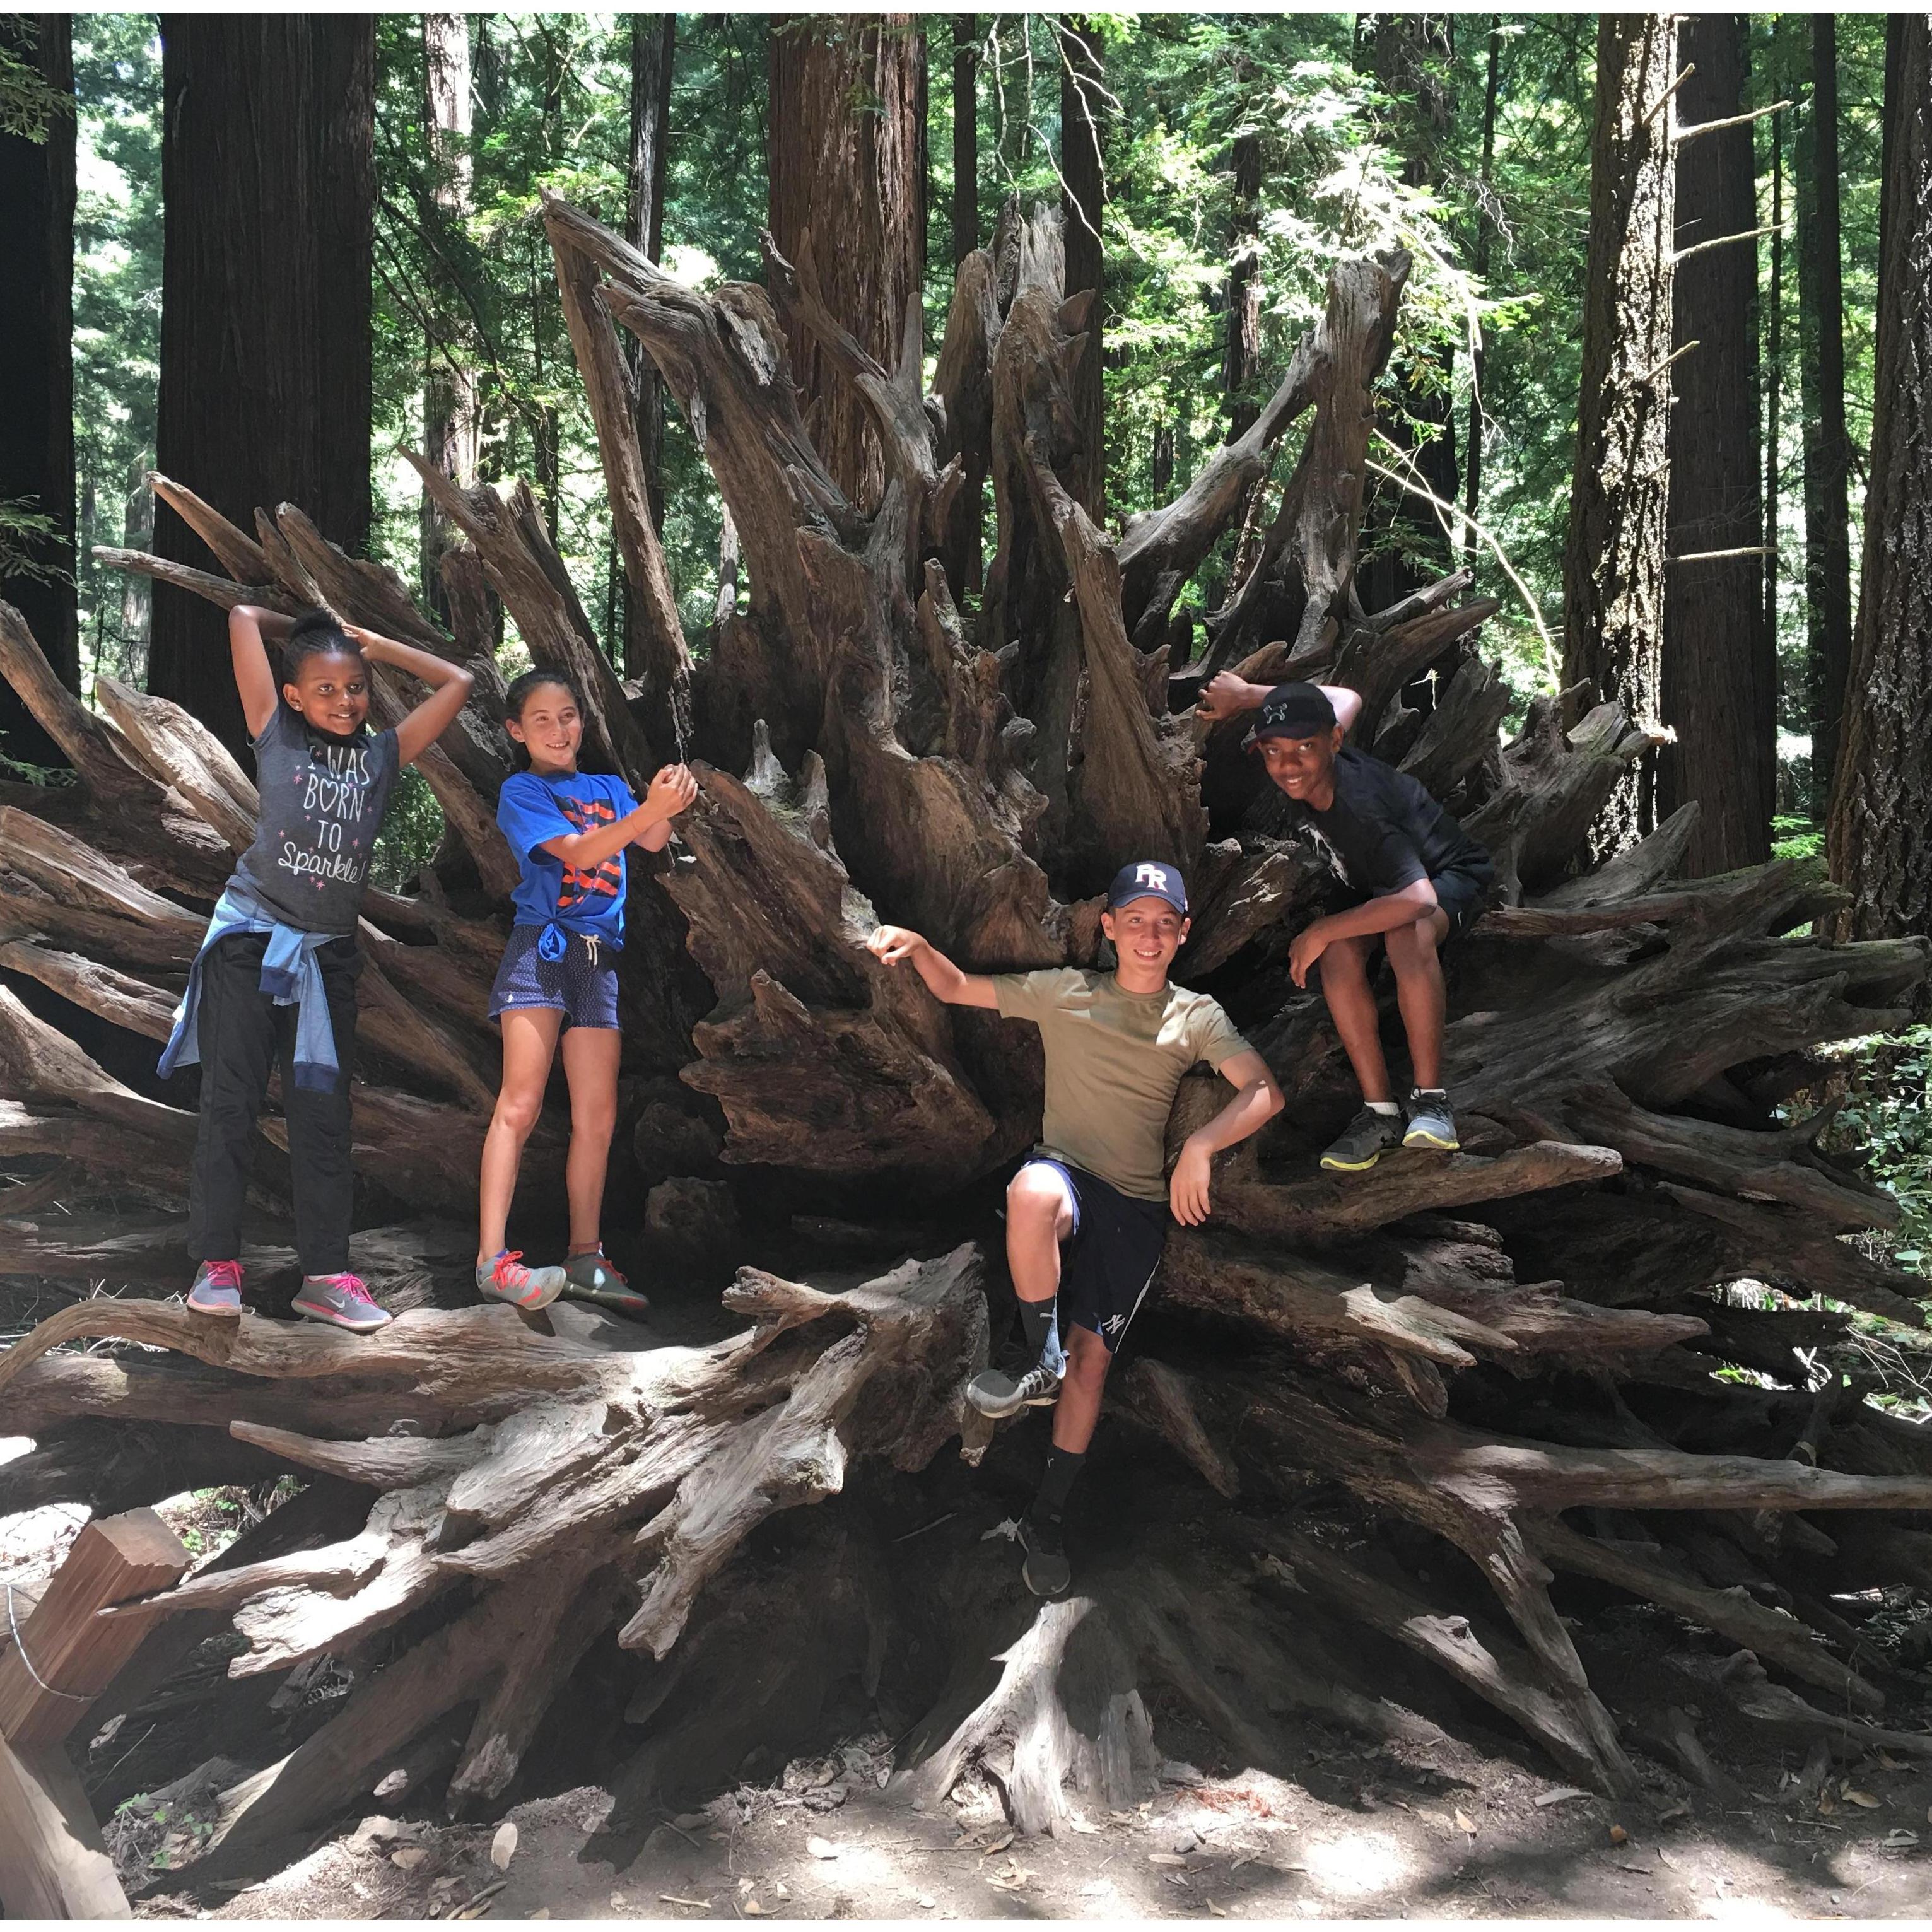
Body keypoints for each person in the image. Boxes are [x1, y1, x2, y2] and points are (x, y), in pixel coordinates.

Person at [867, 862, 1282, 1596]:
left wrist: (1200, 1146)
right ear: (1110, 928)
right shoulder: (1069, 992)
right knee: (1030, 1191)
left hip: (1135, 1209)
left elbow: (1262, 1090)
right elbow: (959, 988)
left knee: (1095, 1366)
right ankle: (1038, 1358)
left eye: (1164, 922)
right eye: (1136, 920)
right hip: (1065, 1173)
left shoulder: (1197, 1015)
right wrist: (920, 945)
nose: (1149, 935)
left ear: (1182, 933)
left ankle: (1047, 1517)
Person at [161, 604, 476, 1330]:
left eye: (356, 687)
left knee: (323, 1118)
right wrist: (306, 625)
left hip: (326, 958)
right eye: (326, 689)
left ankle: (326, 1276)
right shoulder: (275, 733)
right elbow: (240, 616)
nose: (345, 700)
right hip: (249, 944)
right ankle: (216, 1266)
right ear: (294, 695)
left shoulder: (381, 755)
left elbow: (458, 682)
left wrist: (383, 645)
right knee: (231, 1102)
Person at [1197, 672, 1496, 1170]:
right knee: (1337, 955)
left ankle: (1430, 1101)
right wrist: (1248, 697)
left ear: (1333, 740)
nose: (1288, 765)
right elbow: (1347, 695)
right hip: (1382, 886)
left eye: (1304, 747)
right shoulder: (1314, 751)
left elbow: (1418, 898)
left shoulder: (1359, 806)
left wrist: (1320, 929)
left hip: (1446, 878)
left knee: (1403, 931)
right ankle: (1379, 1112)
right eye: (1273, 752)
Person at [474, 670, 698, 1311]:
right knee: (519, 1104)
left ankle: (584, 1256)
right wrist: (650, 811)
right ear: (517, 731)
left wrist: (662, 799)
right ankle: (492, 1260)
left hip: (596, 959)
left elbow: (653, 838)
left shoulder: (606, 787)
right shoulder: (521, 790)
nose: (558, 729)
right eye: (541, 719)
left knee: (596, 1116)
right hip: (540, 950)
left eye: (567, 715)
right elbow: (577, 852)